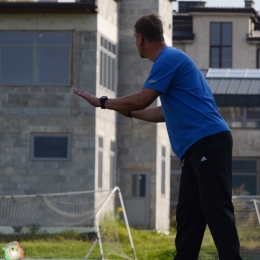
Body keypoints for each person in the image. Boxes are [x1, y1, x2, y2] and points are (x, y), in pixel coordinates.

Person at [73, 13, 242, 260]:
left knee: (216, 210)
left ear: (140, 38)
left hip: (209, 142)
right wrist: (127, 111)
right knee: (188, 216)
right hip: (195, 149)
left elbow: (143, 98)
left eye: (134, 39)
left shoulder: (167, 59)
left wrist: (102, 102)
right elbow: (163, 112)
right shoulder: (171, 61)